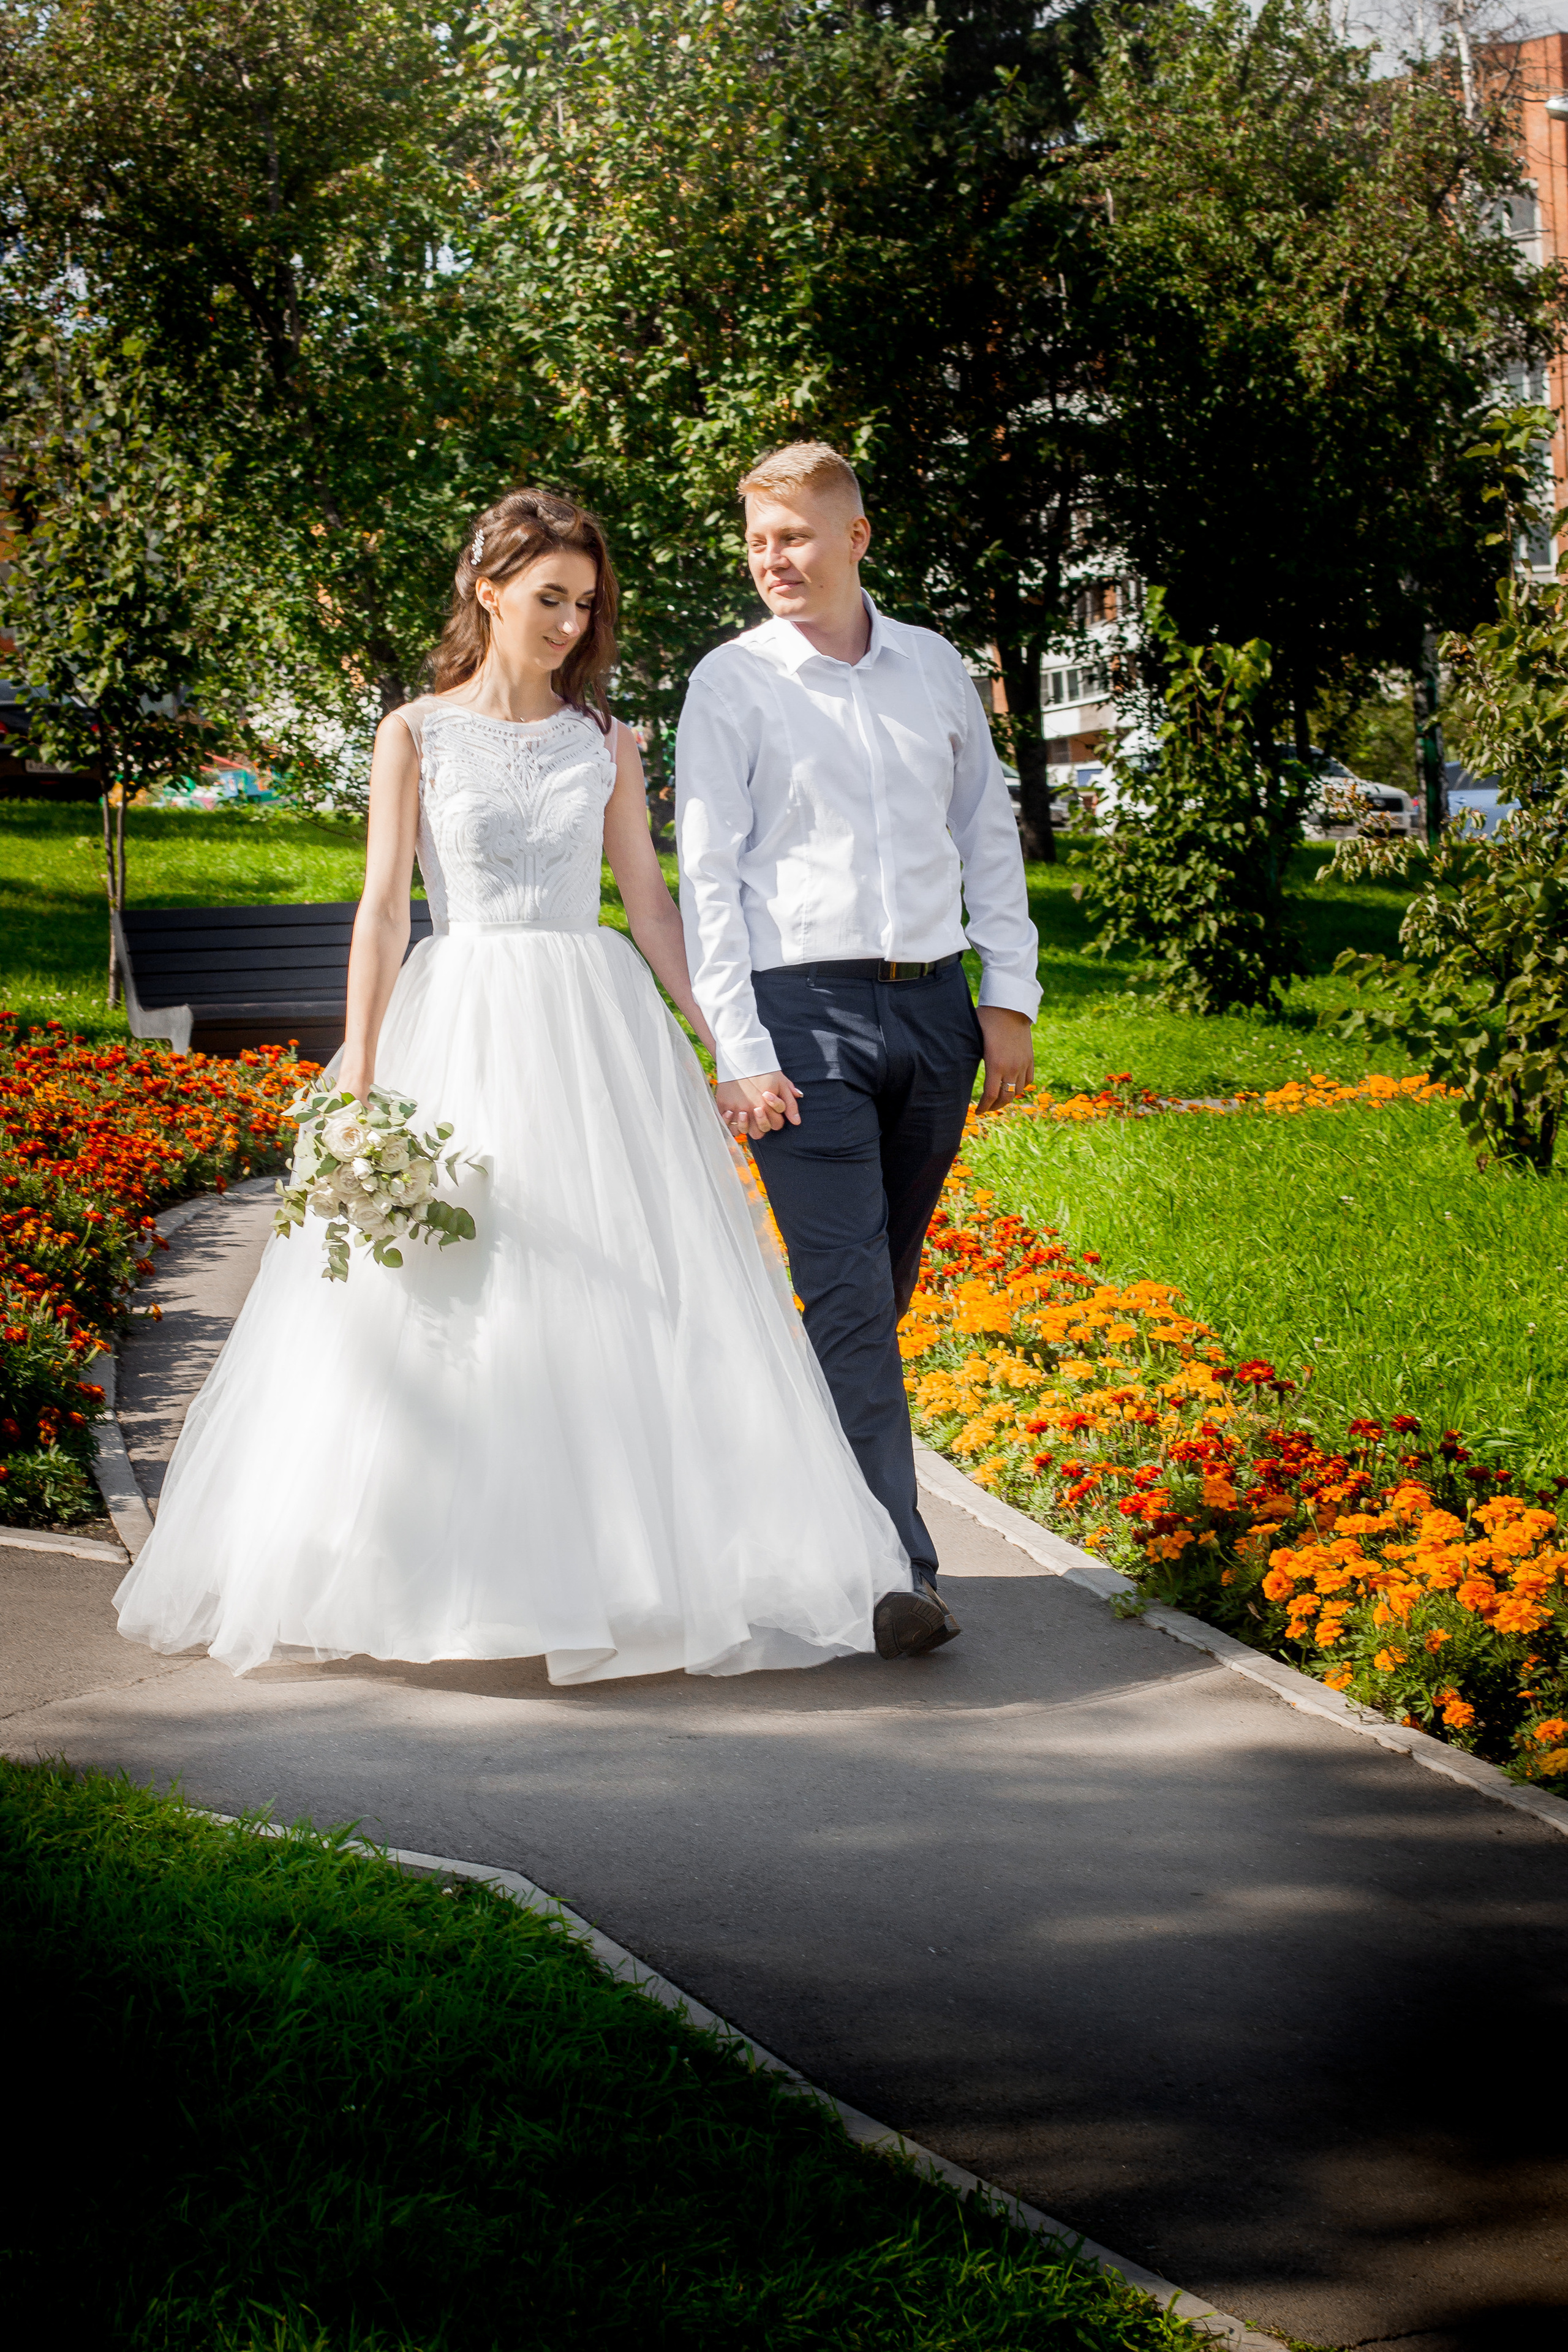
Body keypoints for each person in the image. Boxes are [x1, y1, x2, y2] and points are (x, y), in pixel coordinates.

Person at [114, 488, 909, 1683]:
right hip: (463, 1019)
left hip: (597, 1034)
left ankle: (621, 1570)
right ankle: (440, 1570)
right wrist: (364, 1076)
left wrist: (729, 1046)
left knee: (619, 1296)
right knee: (455, 1300)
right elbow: (383, 910)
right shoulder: (415, 733)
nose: (567, 622)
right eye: (548, 598)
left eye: (583, 605)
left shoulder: (606, 742)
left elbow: (649, 909)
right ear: (488, 590)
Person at [676, 443, 1041, 1659]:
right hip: (798, 1022)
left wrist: (1010, 999)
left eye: (793, 538)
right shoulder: (731, 684)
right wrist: (735, 1044)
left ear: (855, 539)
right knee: (844, 1300)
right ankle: (899, 1572)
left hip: (934, 1011)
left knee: (871, 1297)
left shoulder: (932, 667)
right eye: (758, 542)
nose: (772, 561)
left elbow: (985, 834)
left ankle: (778, 1516)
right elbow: (709, 882)